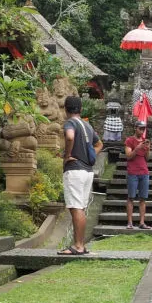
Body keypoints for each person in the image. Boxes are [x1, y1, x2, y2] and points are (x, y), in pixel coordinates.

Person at [59, 95, 102, 256]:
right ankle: (81, 245)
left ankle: (78, 246)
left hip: (75, 170)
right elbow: (99, 144)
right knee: (81, 208)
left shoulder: (70, 123)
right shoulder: (87, 125)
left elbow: (70, 136)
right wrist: (89, 156)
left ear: (66, 109)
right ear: (81, 109)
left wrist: (67, 155)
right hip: (87, 171)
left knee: (76, 208)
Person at [125, 122, 152, 230]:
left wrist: (148, 148)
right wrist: (137, 148)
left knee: (143, 198)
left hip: (144, 172)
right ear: (135, 128)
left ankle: (141, 222)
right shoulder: (129, 140)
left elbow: (147, 158)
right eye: (140, 128)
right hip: (133, 172)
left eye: (143, 129)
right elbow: (128, 156)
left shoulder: (145, 141)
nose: (142, 131)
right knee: (131, 197)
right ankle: (130, 222)